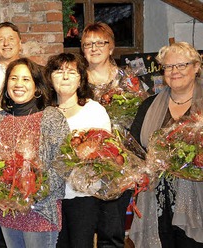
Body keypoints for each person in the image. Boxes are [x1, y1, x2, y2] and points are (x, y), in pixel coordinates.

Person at [0, 58, 68, 248]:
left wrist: (27, 196)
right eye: (13, 78)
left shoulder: (51, 117)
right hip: (8, 213)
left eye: (26, 79)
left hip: (41, 211)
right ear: (6, 86)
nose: (18, 84)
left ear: (37, 87)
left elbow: (62, 166)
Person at [129, 42, 203, 248]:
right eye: (169, 67)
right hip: (157, 200)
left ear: (196, 67)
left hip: (198, 200)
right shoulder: (149, 105)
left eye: (181, 65)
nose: (174, 71)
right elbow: (133, 147)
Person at [45, 53, 113, 248]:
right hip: (52, 198)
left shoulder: (94, 110)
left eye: (71, 72)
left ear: (81, 79)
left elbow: (107, 151)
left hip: (83, 196)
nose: (65, 77)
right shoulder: (44, 113)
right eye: (59, 71)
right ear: (50, 78)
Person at [81, 22, 137, 247]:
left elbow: (139, 120)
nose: (94, 48)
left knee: (112, 233)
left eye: (100, 42)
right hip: (82, 165)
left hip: (118, 164)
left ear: (111, 47)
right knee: (82, 232)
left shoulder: (127, 80)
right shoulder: (77, 80)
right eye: (88, 44)